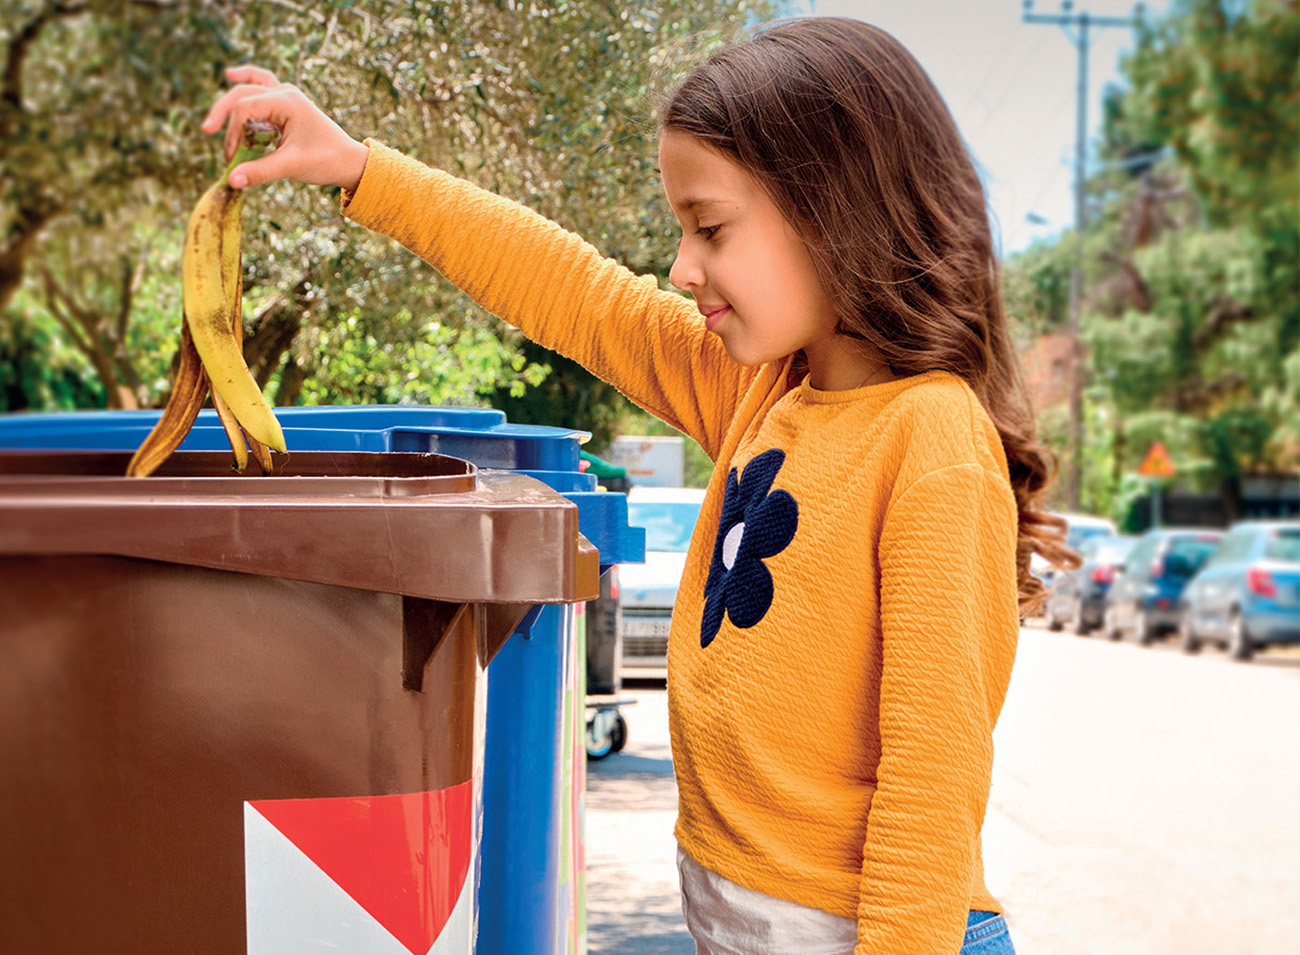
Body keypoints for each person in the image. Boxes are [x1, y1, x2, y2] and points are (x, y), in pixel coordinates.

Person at [204, 17, 1072, 955]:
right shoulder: (765, 388)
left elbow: (932, 780)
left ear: (837, 213)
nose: (681, 266)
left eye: (710, 227)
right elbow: (570, 288)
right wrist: (358, 169)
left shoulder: (931, 440)